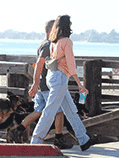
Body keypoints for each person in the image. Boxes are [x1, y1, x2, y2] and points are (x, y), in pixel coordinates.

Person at [28, 15, 98, 151]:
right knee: (50, 109)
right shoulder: (67, 41)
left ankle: (84, 139)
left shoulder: (53, 41)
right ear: (67, 26)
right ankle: (36, 141)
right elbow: (71, 64)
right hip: (60, 78)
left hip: (52, 77)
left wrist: (36, 83)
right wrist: (79, 84)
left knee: (70, 109)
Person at [9, 19, 73, 149]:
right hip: (47, 85)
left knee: (38, 110)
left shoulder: (43, 44)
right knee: (59, 112)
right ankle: (58, 138)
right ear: (51, 30)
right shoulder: (48, 45)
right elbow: (43, 64)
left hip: (41, 84)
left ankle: (17, 131)